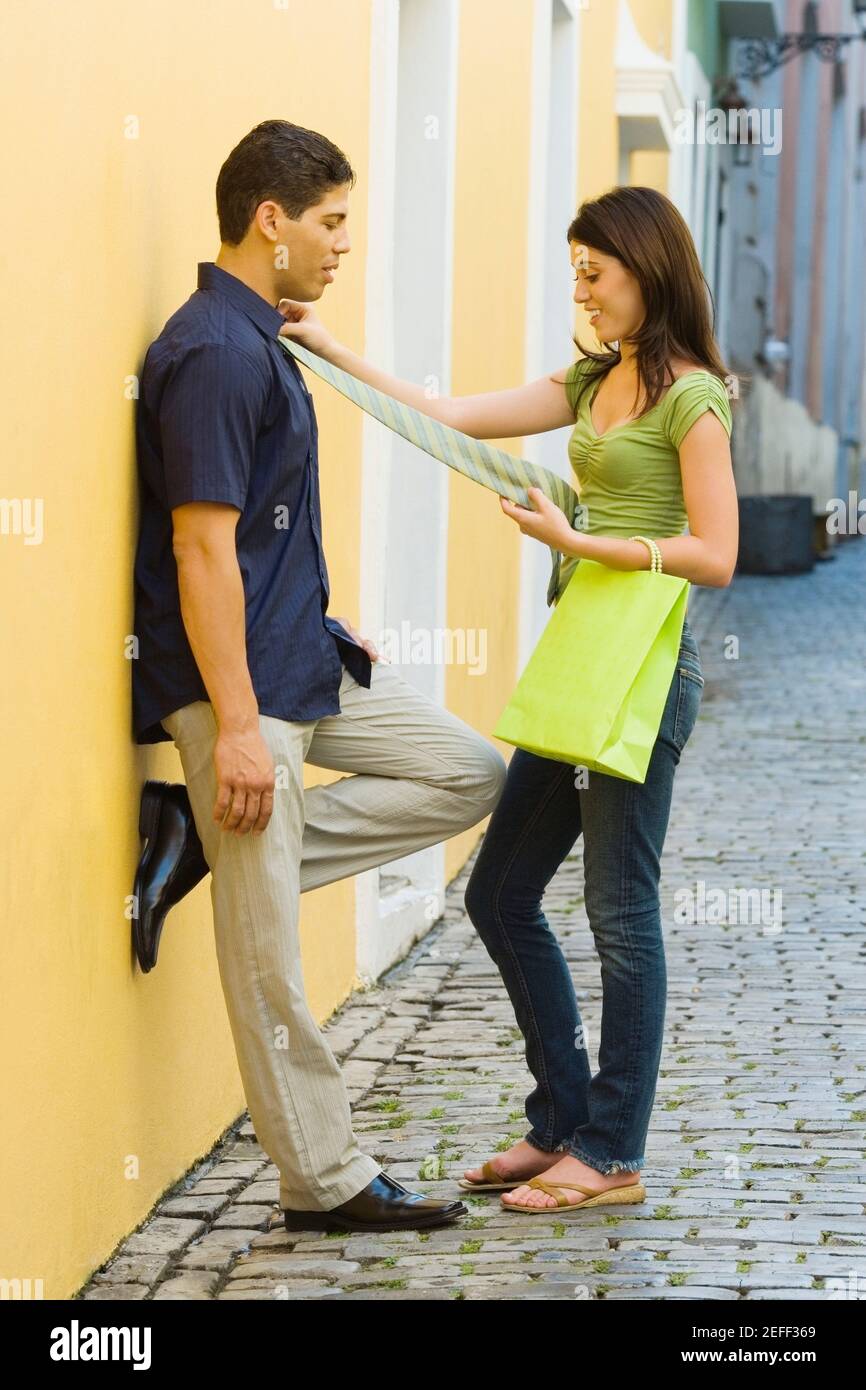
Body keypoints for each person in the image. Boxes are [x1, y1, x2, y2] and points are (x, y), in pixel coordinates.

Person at [277, 184, 739, 1214]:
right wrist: (326, 347)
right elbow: (443, 414)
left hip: (642, 675)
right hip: (579, 665)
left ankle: (610, 1151)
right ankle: (558, 1120)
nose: (580, 287)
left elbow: (716, 553)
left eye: (595, 269)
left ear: (646, 270)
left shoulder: (690, 397)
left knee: (618, 913)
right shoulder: (591, 380)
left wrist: (582, 543)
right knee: (496, 892)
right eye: (573, 268)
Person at [131, 119, 509, 1234]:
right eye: (330, 222)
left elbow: (256, 537)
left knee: (470, 773)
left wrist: (319, 611)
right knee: (268, 959)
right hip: (239, 691)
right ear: (270, 219)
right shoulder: (209, 351)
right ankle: (326, 1179)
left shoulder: (268, 341)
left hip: (309, 659)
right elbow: (201, 549)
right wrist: (236, 732)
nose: (343, 245)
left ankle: (205, 837)